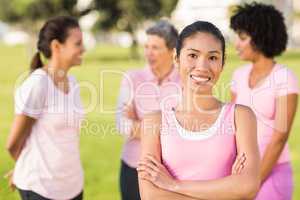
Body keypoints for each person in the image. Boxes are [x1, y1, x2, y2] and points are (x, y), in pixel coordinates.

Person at [137, 21, 260, 200]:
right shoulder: (153, 122)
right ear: (176, 58)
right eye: (193, 55)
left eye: (212, 57)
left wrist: (173, 185)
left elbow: (248, 186)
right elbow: (151, 195)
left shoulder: (240, 116)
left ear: (222, 63)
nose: (202, 67)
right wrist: (227, 191)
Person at [6, 16, 85, 200]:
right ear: (57, 46)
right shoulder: (38, 84)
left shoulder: (73, 83)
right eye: (78, 43)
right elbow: (13, 144)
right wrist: (23, 168)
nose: (83, 49)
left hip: (73, 187)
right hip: (42, 189)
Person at [230, 3, 299, 199]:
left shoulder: (284, 78)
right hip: (242, 175)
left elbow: (279, 138)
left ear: (260, 37)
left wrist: (254, 182)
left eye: (242, 38)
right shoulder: (238, 75)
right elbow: (233, 126)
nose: (236, 44)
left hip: (271, 175)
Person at [115, 20, 180, 200]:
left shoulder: (184, 82)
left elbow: (188, 129)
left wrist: (138, 125)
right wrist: (165, 130)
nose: (148, 53)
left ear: (172, 50)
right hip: (133, 168)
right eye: (146, 47)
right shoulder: (132, 78)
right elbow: (121, 124)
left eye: (155, 48)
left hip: (171, 172)